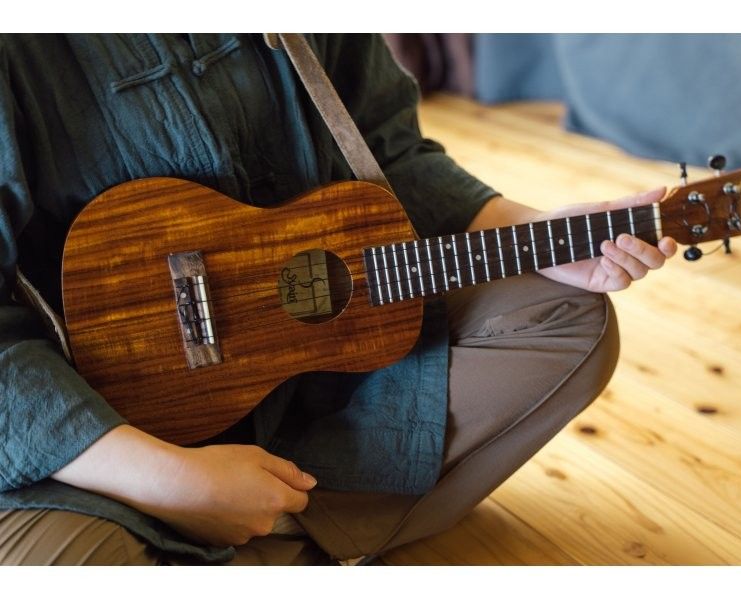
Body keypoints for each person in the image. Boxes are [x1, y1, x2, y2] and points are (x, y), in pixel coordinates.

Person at [0, 34, 676, 565]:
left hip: (307, 381)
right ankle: (285, 528)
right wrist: (171, 481)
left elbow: (389, 154)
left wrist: (545, 236)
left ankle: (249, 524)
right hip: (83, 443)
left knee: (569, 320)